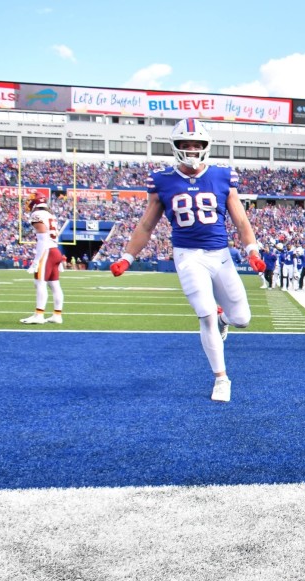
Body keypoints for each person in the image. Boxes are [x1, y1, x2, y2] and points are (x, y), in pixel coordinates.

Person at [110, 118, 266, 402]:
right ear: (176, 147)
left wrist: (252, 250)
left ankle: (224, 318)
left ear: (206, 147)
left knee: (242, 319)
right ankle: (221, 378)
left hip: (220, 254)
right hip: (187, 255)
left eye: (197, 145)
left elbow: (241, 219)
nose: (192, 150)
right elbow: (146, 225)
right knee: (205, 313)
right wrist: (127, 257)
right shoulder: (162, 180)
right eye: (186, 145)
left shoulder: (222, 176)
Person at [20, 194, 66, 325]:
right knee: (54, 285)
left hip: (47, 252)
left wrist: (36, 261)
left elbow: (42, 239)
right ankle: (57, 315)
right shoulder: (51, 215)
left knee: (39, 283)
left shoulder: (38, 215)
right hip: (55, 250)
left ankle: (39, 315)